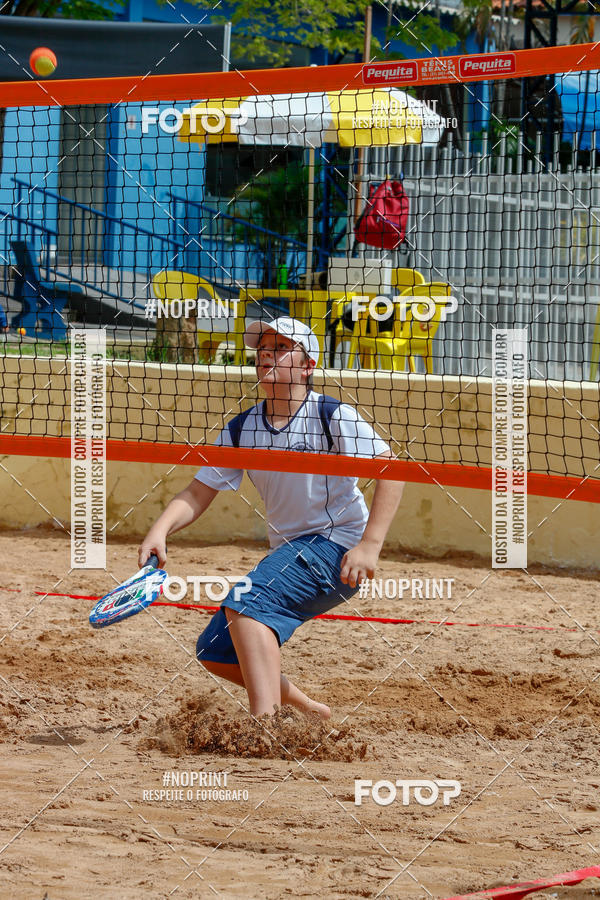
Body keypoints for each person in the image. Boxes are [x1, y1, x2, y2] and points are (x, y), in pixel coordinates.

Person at [139, 317, 404, 719]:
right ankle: (305, 709)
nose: (267, 356)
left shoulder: (332, 415)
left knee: (247, 603)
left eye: (281, 349)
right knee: (215, 650)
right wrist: (159, 531)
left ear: (307, 365)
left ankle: (265, 724)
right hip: (293, 552)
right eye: (263, 350)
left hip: (337, 548)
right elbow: (197, 491)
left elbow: (392, 470)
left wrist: (370, 546)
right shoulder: (243, 427)